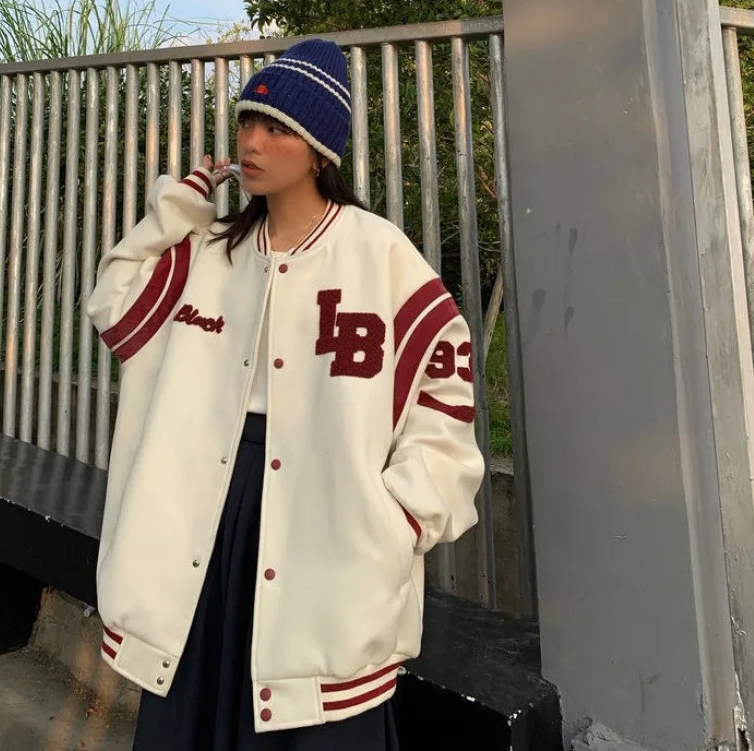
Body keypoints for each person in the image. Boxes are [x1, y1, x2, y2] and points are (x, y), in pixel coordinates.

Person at [87, 37, 485, 750]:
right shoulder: (211, 253)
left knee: (317, 707)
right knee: (195, 696)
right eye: (248, 121)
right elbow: (115, 309)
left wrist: (401, 516)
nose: (252, 142)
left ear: (319, 150)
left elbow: (445, 384)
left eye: (277, 128)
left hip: (330, 511)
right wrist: (178, 209)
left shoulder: (379, 254)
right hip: (208, 512)